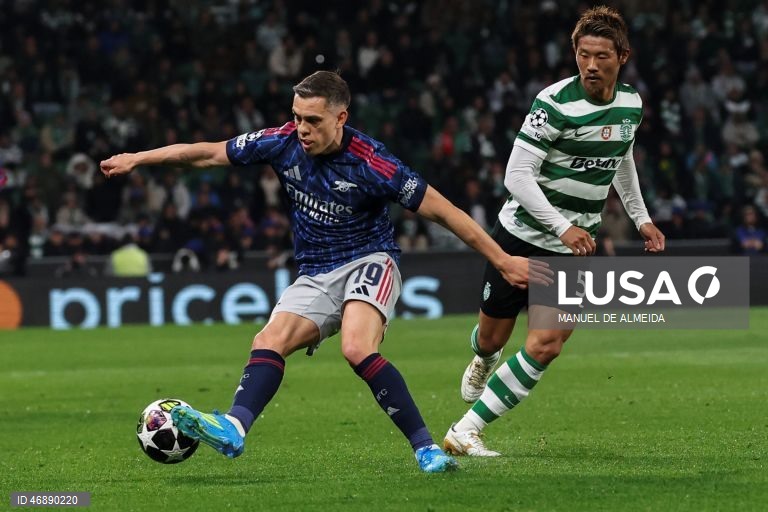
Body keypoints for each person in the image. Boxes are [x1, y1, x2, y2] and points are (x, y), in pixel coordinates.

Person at [100, 70, 547, 473]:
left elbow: (445, 212)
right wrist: (139, 158)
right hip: (316, 270)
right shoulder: (281, 142)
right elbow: (207, 155)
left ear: (341, 117)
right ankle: (234, 428)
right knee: (267, 341)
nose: (302, 129)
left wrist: (502, 260)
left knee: (356, 348)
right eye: (297, 117)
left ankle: (426, 448)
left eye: (313, 120)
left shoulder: (374, 162)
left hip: (371, 259)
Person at [443, 6, 666, 457]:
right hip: (519, 240)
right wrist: (563, 227)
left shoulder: (630, 105)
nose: (591, 64)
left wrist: (640, 216)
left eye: (602, 55)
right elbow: (517, 176)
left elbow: (620, 160)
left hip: (570, 251)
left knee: (546, 344)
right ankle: (485, 359)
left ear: (623, 56)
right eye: (583, 54)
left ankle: (465, 430)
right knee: (492, 340)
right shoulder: (554, 103)